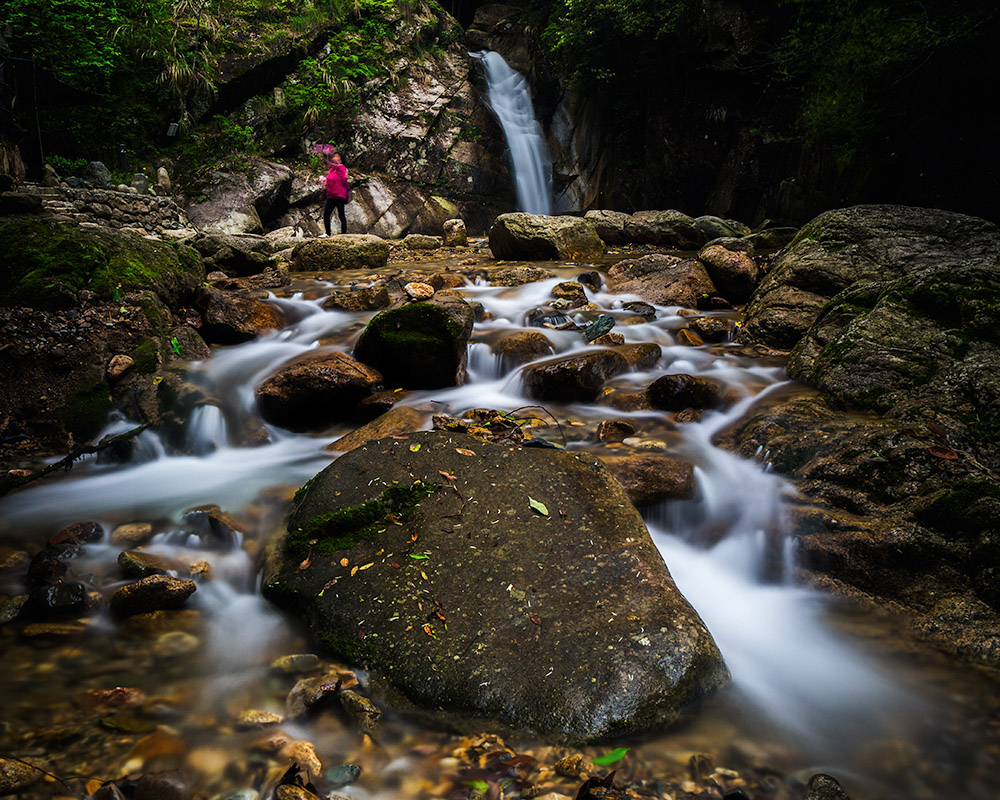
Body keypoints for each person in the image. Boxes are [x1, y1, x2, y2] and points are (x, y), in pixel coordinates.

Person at [320, 151, 349, 237]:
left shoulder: (342, 167)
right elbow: (329, 181)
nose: (334, 158)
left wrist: (324, 157)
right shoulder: (331, 170)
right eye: (334, 157)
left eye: (336, 157)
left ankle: (344, 234)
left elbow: (330, 164)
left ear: (340, 159)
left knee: (341, 214)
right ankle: (327, 233)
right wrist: (323, 180)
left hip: (339, 195)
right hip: (331, 195)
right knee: (326, 214)